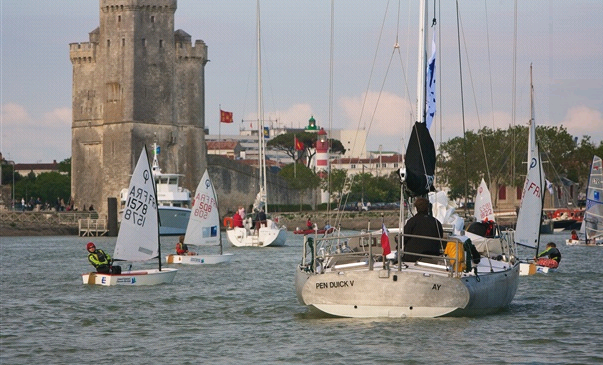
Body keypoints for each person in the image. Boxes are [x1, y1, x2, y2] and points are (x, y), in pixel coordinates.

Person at [402, 197, 444, 262]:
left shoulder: (412, 222)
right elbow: (440, 237)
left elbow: (404, 238)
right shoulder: (436, 222)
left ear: (416, 208)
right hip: (432, 257)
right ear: (428, 208)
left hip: (412, 257)